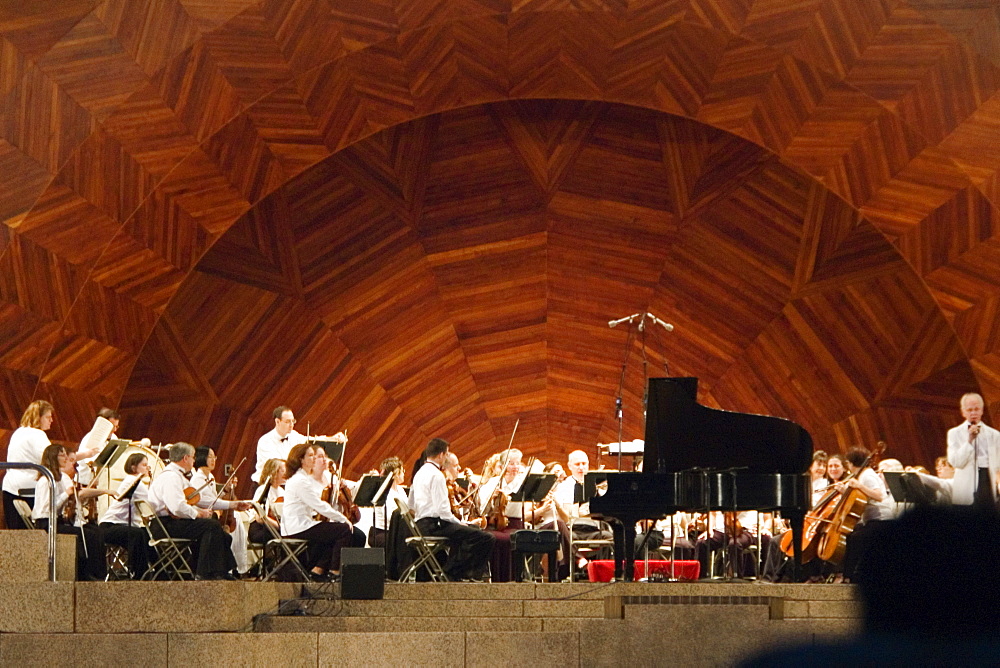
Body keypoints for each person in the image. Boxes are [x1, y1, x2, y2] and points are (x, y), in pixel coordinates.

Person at [147, 442, 241, 580]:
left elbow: (196, 500)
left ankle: (219, 571)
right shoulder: (171, 477)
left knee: (220, 532)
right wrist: (198, 513)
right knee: (211, 526)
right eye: (192, 457)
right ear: (185, 458)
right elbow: (177, 507)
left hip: (170, 523)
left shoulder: (178, 476)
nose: (194, 461)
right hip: (165, 525)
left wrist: (231, 505)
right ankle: (205, 573)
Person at [408, 438, 494, 581]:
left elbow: (411, 505)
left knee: (470, 532)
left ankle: (455, 573)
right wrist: (459, 523)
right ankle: (455, 573)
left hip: (421, 525)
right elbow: (443, 511)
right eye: (447, 454)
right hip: (435, 525)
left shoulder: (419, 474)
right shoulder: (437, 475)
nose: (446, 457)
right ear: (441, 455)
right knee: (485, 537)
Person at [32, 444, 111, 580]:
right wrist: (66, 495)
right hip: (46, 524)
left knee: (93, 533)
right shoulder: (46, 481)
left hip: (55, 521)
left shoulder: (58, 478)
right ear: (53, 457)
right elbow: (47, 509)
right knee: (87, 536)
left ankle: (97, 574)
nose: (65, 458)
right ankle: (86, 574)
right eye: (62, 455)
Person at [280, 442, 355, 581]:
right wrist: (343, 518)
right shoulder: (300, 481)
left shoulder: (300, 478)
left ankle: (318, 571)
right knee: (344, 529)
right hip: (298, 526)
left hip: (301, 524)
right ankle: (334, 572)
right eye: (310, 455)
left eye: (315, 455)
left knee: (331, 534)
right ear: (301, 460)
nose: (314, 458)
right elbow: (319, 505)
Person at [190, 446, 251, 574]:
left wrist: (225, 490)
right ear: (201, 458)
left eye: (214, 457)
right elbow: (204, 502)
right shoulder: (197, 479)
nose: (213, 460)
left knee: (227, 537)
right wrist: (232, 504)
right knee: (224, 536)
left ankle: (225, 570)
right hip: (201, 518)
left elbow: (213, 499)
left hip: (210, 516)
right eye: (210, 457)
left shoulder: (210, 477)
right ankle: (223, 570)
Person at [554, 449, 614, 573]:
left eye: (584, 463)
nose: (581, 467)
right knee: (566, 538)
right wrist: (577, 511)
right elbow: (565, 517)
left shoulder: (597, 486)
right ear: (569, 466)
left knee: (609, 537)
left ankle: (603, 572)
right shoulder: (563, 487)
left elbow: (606, 514)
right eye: (577, 464)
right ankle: (578, 568)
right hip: (573, 529)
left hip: (593, 529)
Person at [838, 446, 889, 582]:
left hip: (880, 519)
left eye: (847, 463)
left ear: (851, 463)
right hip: (871, 520)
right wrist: (845, 492)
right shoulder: (862, 475)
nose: (847, 466)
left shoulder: (867, 475)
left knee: (856, 538)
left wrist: (859, 486)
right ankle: (848, 575)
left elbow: (878, 496)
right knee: (850, 536)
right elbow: (860, 499)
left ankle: (850, 576)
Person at [99, 452, 153, 577]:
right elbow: (151, 503)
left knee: (146, 534)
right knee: (137, 534)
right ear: (134, 467)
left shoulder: (137, 483)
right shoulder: (134, 482)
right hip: (110, 526)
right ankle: (140, 573)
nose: (147, 468)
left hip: (119, 525)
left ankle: (152, 569)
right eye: (144, 465)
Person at [3, 400, 55, 529]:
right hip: (28, 490)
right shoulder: (38, 434)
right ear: (38, 417)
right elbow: (51, 458)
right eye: (48, 417)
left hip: (9, 487)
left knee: (15, 535)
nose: (51, 420)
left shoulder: (18, 432)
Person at [946, 392, 1000, 509]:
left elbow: (998, 463)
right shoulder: (954, 433)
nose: (973, 413)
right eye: (969, 410)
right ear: (963, 412)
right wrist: (969, 441)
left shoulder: (995, 435)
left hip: (987, 479)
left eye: (976, 409)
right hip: (966, 483)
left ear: (982, 410)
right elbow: (956, 463)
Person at [251, 406, 307, 483]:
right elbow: (276, 466)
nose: (291, 425)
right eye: (287, 422)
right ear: (277, 421)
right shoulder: (265, 441)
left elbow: (310, 440)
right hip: (266, 484)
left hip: (285, 483)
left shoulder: (294, 435)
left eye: (293, 421)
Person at [369, 457, 407, 549]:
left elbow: (407, 509)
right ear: (395, 474)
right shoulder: (383, 491)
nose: (404, 474)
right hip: (381, 532)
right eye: (402, 471)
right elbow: (389, 516)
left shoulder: (401, 490)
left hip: (396, 531)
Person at [75, 407, 120, 485]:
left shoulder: (114, 437)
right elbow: (91, 463)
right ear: (103, 425)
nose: (114, 430)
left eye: (116, 426)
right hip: (86, 483)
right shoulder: (91, 438)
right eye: (112, 426)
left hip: (103, 482)